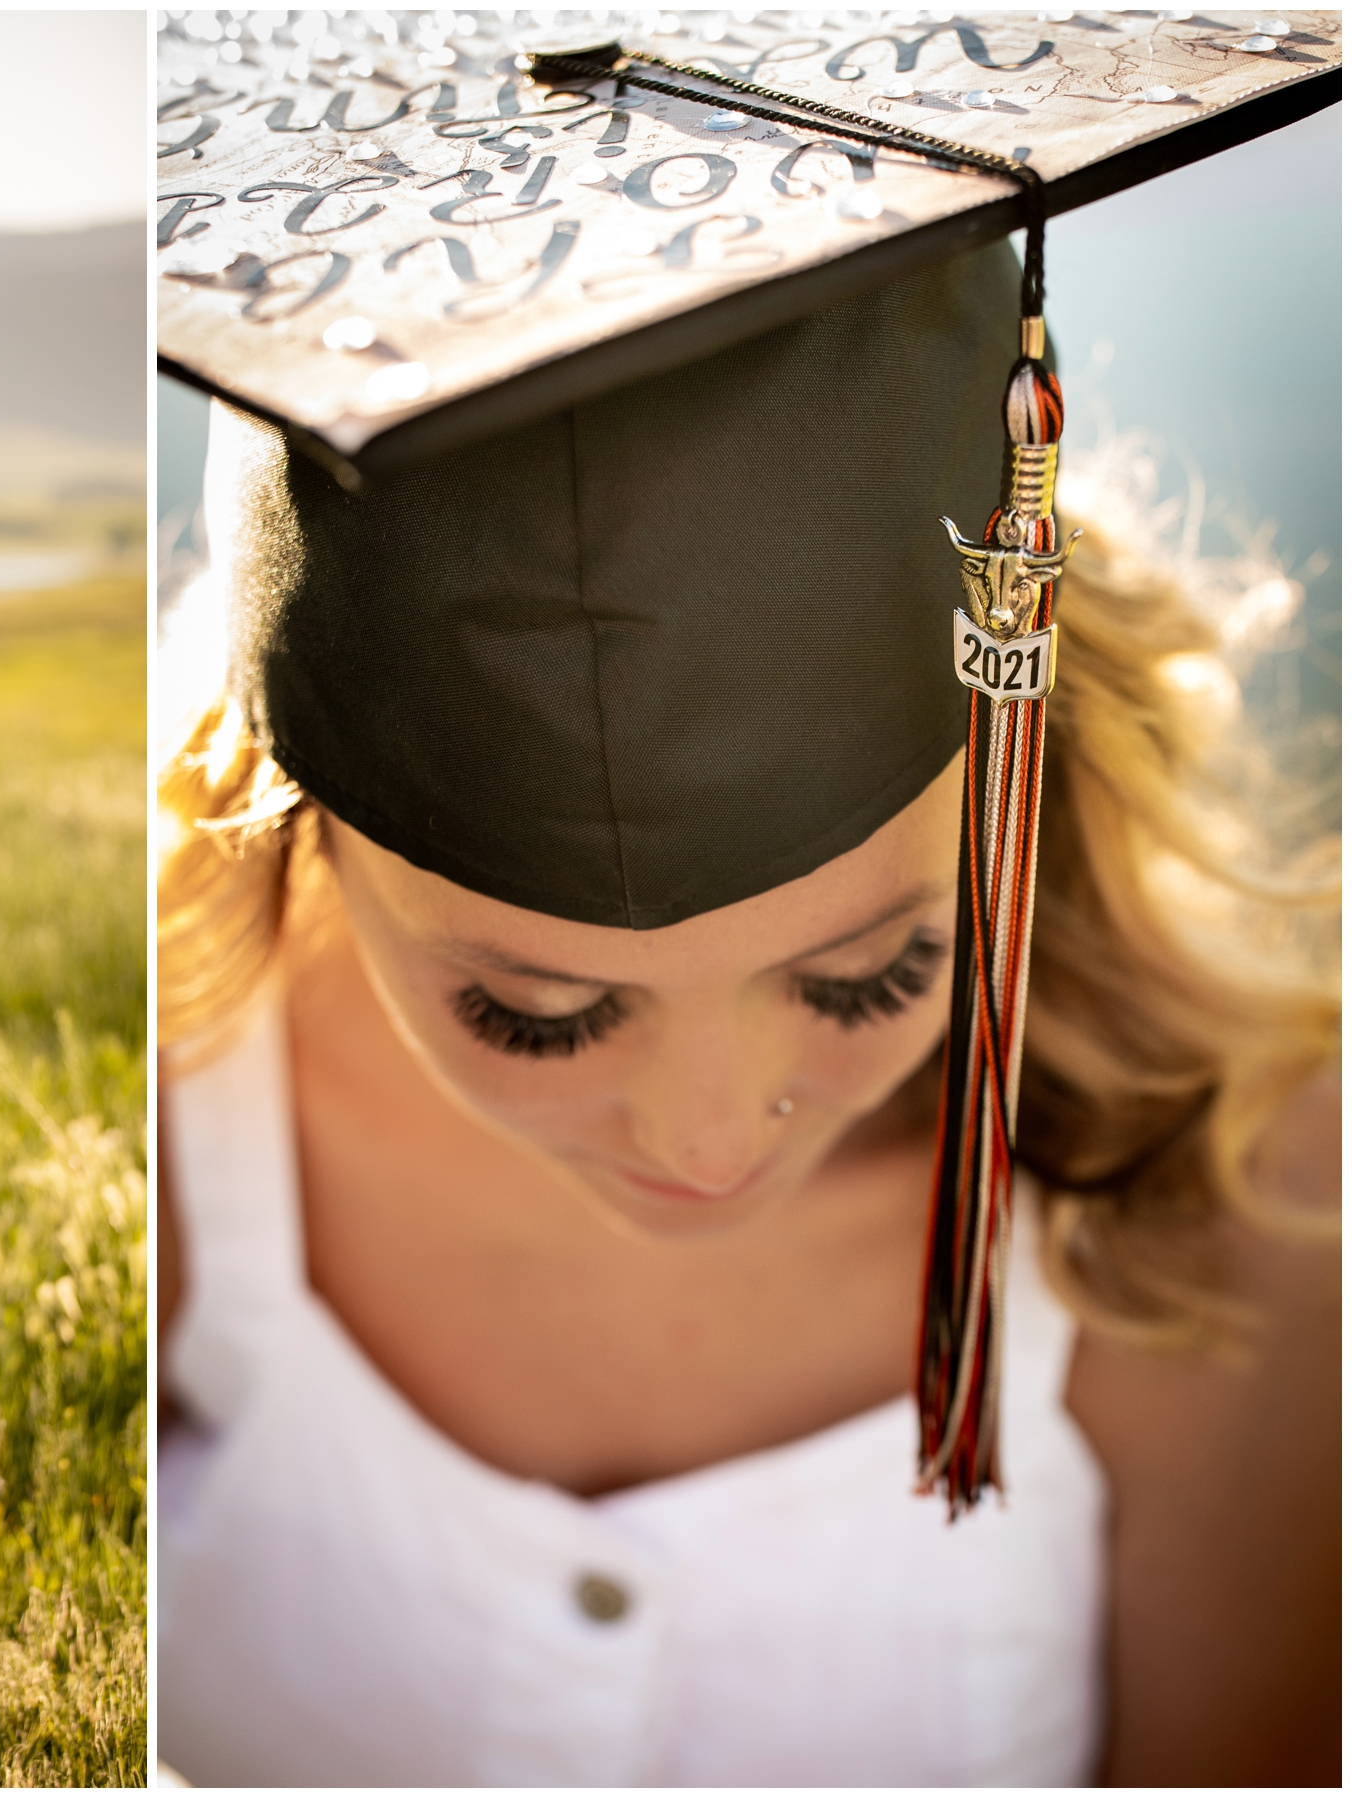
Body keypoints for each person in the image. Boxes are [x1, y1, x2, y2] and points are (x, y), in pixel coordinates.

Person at [154, 20, 1338, 1787]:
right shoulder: (167, 1107)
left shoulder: (1236, 1202)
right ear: (303, 833)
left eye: (870, 975)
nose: (709, 1134)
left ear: (1019, 774)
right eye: (536, 1010)